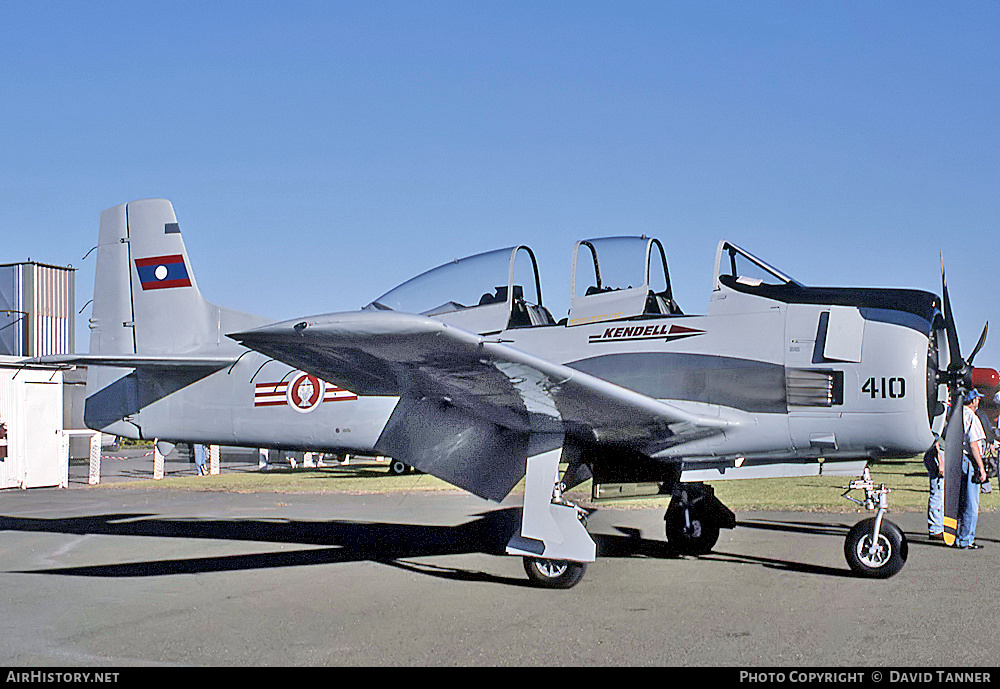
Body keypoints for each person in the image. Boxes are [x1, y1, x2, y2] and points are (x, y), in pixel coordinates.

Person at [957, 389, 989, 549]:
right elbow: (974, 444)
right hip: (969, 460)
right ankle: (966, 539)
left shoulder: (956, 414)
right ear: (974, 400)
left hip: (957, 459)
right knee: (971, 502)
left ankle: (957, 535)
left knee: (960, 500)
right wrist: (981, 468)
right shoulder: (972, 417)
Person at [923, 437, 944, 540]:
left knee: (942, 493)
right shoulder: (938, 421)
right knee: (937, 493)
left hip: (943, 454)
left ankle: (941, 525)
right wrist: (940, 460)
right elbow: (934, 439)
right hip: (936, 455)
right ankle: (935, 529)